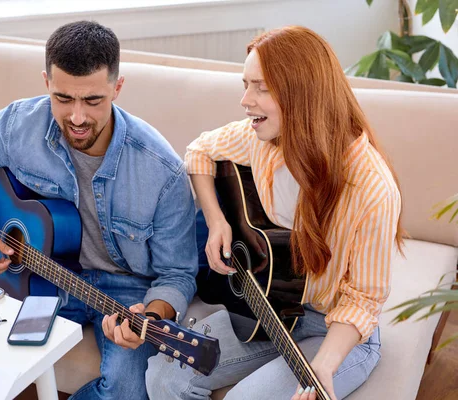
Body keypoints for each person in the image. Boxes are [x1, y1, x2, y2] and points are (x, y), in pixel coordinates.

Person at [0, 20, 197, 400]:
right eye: (63, 98)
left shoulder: (161, 171)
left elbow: (178, 274)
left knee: (125, 390)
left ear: (117, 88)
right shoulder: (19, 125)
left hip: (126, 290)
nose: (76, 117)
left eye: (93, 101)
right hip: (45, 281)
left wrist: (149, 318)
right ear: (46, 83)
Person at [145, 25, 403, 400]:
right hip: (269, 309)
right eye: (245, 84)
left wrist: (325, 365)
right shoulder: (260, 138)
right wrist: (217, 222)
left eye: (261, 88)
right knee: (165, 378)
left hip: (333, 330)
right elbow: (199, 152)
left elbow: (363, 299)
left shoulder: (373, 188)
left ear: (303, 95)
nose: (245, 100)